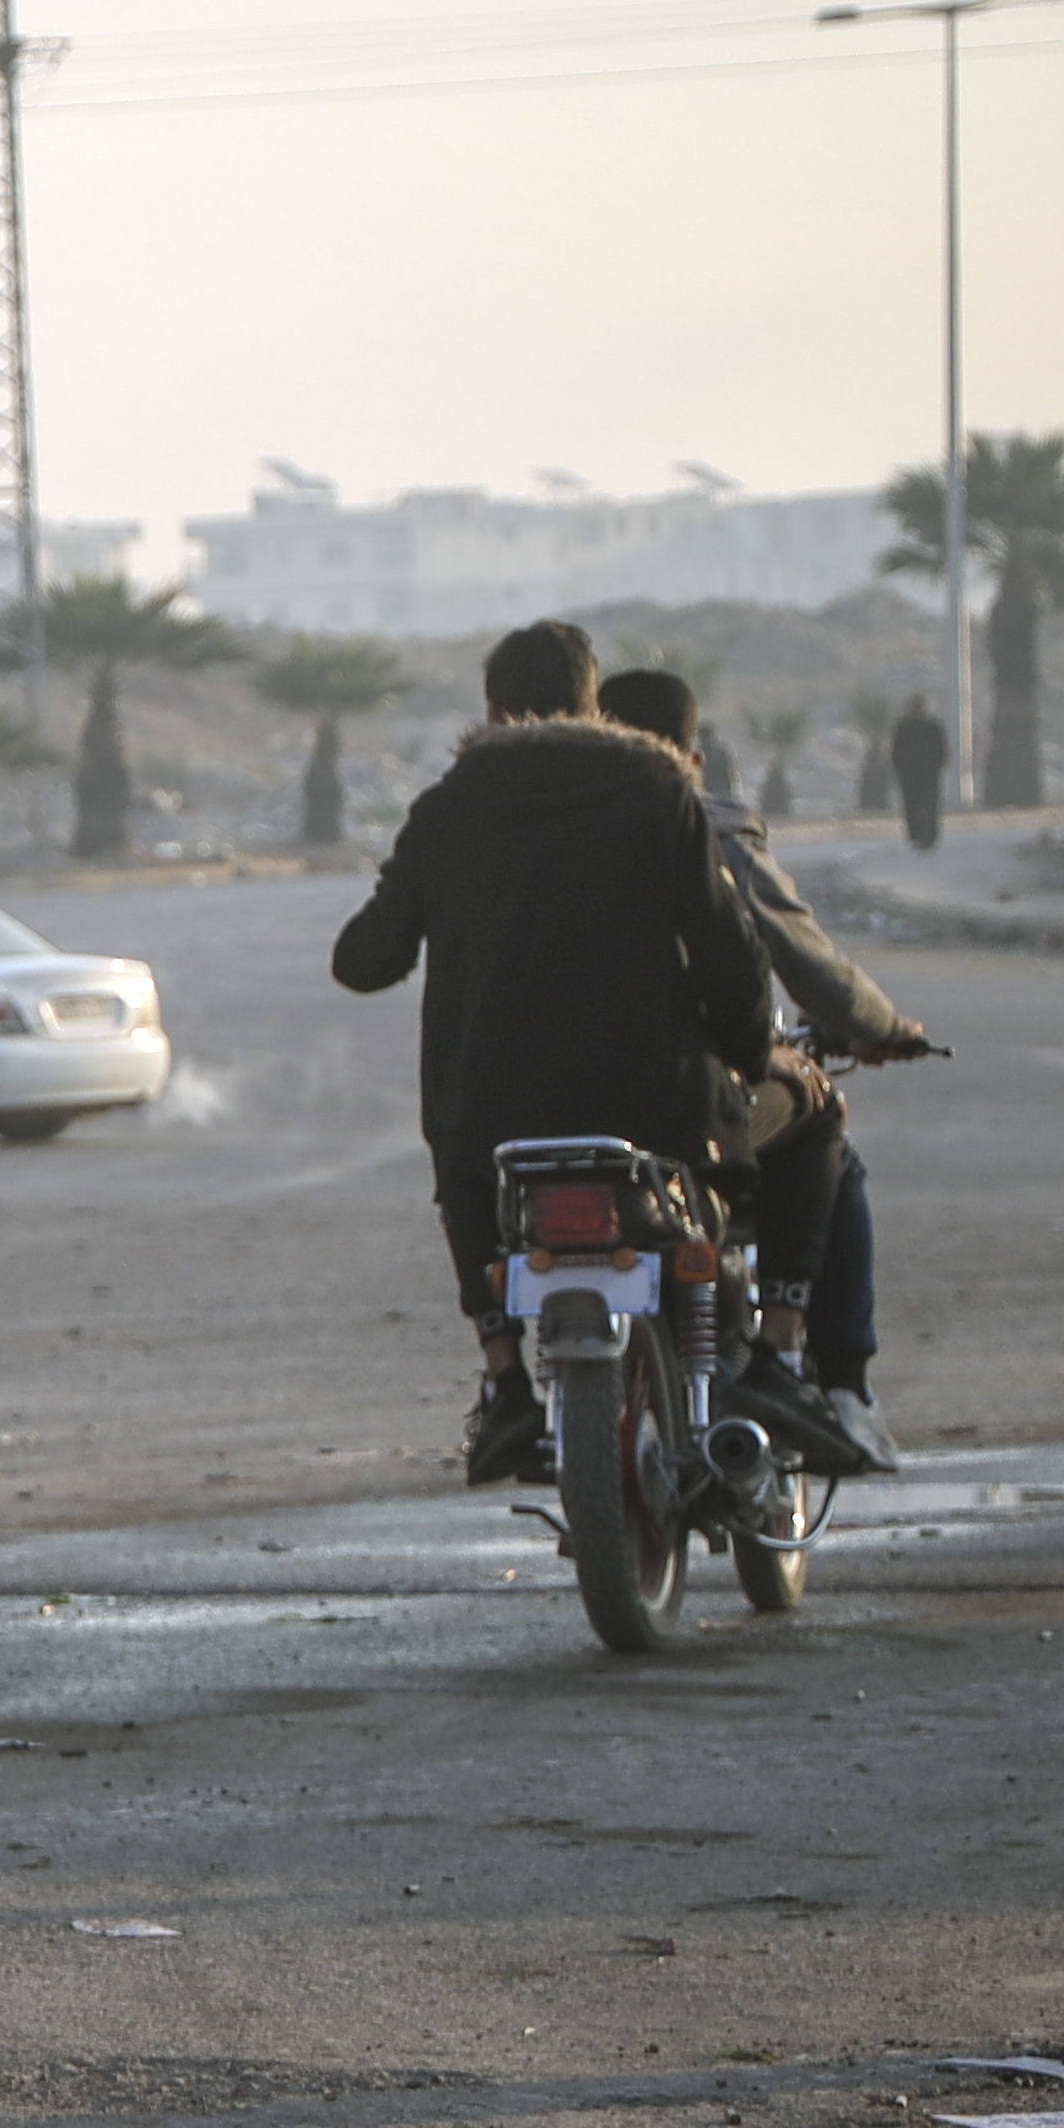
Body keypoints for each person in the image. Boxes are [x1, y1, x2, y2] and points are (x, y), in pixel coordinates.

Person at [330, 622, 777, 1485]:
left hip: (491, 1112)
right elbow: (728, 956)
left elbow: (363, 961)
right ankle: (731, 1370)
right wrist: (750, 1053)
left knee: (463, 1178)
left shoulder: (446, 808)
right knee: (721, 1190)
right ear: (593, 704)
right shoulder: (657, 789)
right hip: (650, 1099)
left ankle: (504, 1380)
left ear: (493, 710)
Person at [598, 667, 925, 1469]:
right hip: (690, 1096)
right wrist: (885, 1027)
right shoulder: (713, 831)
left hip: (554, 1098)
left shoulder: (547, 830)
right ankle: (802, 1362)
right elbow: (801, 968)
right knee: (821, 1124)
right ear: (694, 758)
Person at [889, 691, 949, 852]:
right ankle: (915, 836)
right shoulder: (903, 727)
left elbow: (941, 749)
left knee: (929, 804)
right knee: (912, 805)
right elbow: (896, 750)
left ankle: (929, 836)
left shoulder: (932, 726)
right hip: (909, 774)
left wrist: (937, 765)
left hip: (928, 773)